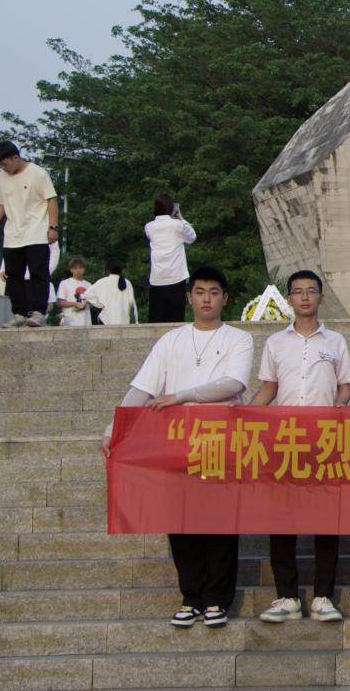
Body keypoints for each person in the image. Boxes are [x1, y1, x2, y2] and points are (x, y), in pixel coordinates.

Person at [98, 266, 252, 629]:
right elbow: (143, 388)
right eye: (200, 292)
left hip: (219, 440)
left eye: (214, 292)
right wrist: (113, 429)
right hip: (177, 441)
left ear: (225, 298)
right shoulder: (171, 341)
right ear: (189, 298)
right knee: (180, 520)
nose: (207, 299)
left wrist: (181, 396)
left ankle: (217, 599)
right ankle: (191, 597)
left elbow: (232, 383)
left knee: (220, 520)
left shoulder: (238, 338)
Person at [249, 271, 350, 624]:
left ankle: (323, 596)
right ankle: (287, 597)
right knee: (282, 520)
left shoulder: (335, 341)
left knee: (326, 519)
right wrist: (244, 417)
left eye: (311, 291)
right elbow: (269, 387)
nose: (305, 297)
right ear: (290, 300)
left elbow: (345, 385)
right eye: (298, 292)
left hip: (324, 441)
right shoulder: (276, 343)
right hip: (285, 441)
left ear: (321, 297)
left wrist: (340, 405)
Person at [0, 141, 59, 328]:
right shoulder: (2, 178)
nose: (3, 168)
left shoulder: (38, 173)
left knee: (38, 273)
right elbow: (0, 203)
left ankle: (38, 312)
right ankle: (18, 313)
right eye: (0, 165)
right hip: (13, 235)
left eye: (5, 163)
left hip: (36, 232)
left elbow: (51, 200)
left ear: (16, 157)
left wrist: (53, 227)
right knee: (13, 275)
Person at [144, 192, 197, 324]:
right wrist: (181, 218)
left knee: (156, 319)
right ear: (172, 208)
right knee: (176, 319)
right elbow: (192, 237)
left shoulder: (149, 227)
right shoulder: (178, 225)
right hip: (176, 276)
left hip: (157, 278)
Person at [85, 258, 137, 325]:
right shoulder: (127, 282)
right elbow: (132, 304)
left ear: (107, 270)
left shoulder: (103, 281)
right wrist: (135, 322)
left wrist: (101, 305)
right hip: (124, 322)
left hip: (106, 320)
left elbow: (88, 294)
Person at [55, 256, 92, 327]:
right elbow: (60, 302)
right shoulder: (64, 283)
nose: (78, 270)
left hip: (86, 321)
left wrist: (86, 303)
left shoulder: (88, 284)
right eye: (75, 268)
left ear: (84, 269)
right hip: (69, 321)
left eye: (80, 268)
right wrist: (75, 304)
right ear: (71, 270)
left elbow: (92, 302)